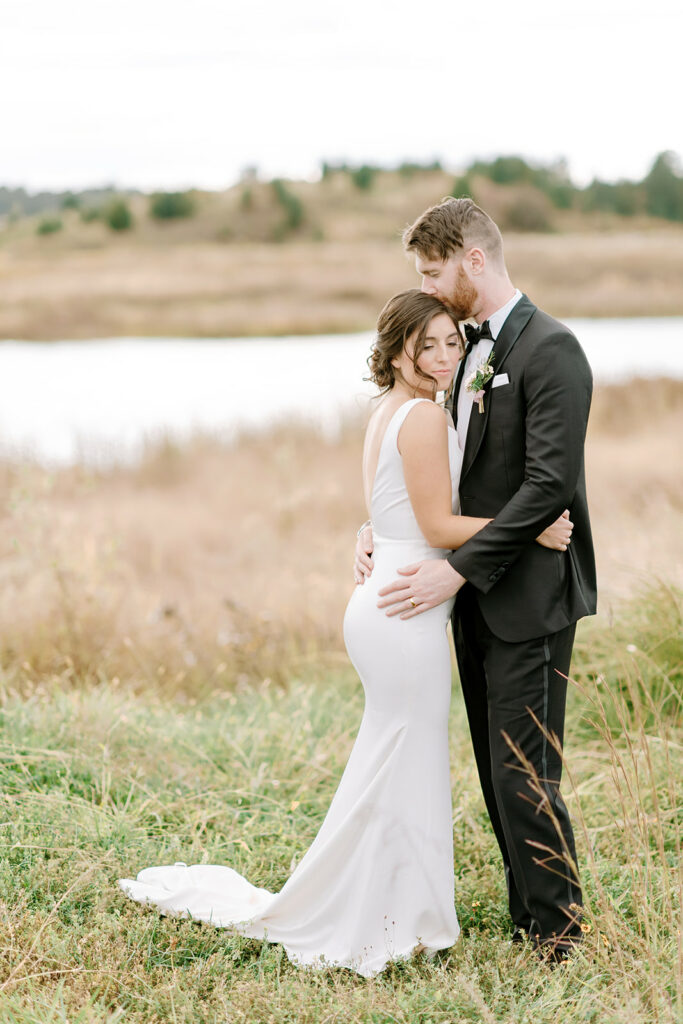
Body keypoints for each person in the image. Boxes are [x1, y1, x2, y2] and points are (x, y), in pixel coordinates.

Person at [118, 289, 572, 977]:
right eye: (430, 346)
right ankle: (388, 915)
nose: (446, 355)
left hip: (389, 592)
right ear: (397, 352)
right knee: (405, 754)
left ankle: (389, 903)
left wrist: (371, 535)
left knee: (397, 757)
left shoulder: (392, 409)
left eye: (453, 342)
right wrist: (530, 526)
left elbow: (393, 514)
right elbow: (437, 528)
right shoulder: (419, 415)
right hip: (402, 604)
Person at [355, 198, 596, 962]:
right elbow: (443, 479)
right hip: (470, 600)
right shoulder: (461, 356)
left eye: (432, 271)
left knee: (526, 772)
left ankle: (559, 935)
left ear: (472, 260)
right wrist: (381, 531)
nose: (427, 285)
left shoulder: (551, 349)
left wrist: (455, 568)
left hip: (529, 594)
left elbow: (546, 483)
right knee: (496, 772)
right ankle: (529, 917)